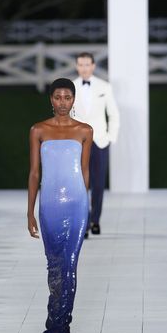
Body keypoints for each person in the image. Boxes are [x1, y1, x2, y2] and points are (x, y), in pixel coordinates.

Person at [27, 78, 93, 333]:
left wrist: (87, 206)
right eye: (58, 97)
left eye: (67, 97)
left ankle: (61, 331)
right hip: (49, 205)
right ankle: (55, 321)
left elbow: (85, 171)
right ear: (51, 99)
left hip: (77, 205)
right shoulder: (38, 130)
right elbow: (34, 173)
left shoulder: (85, 131)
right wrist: (29, 211)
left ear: (74, 100)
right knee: (54, 268)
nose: (63, 102)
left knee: (69, 266)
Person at [71, 52, 119, 236]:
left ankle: (95, 220)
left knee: (98, 184)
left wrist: (109, 138)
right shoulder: (71, 87)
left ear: (93, 66)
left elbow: (114, 114)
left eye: (87, 65)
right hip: (78, 144)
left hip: (99, 142)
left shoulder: (104, 87)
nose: (84, 68)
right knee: (80, 184)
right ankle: (84, 221)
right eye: (80, 65)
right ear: (77, 66)